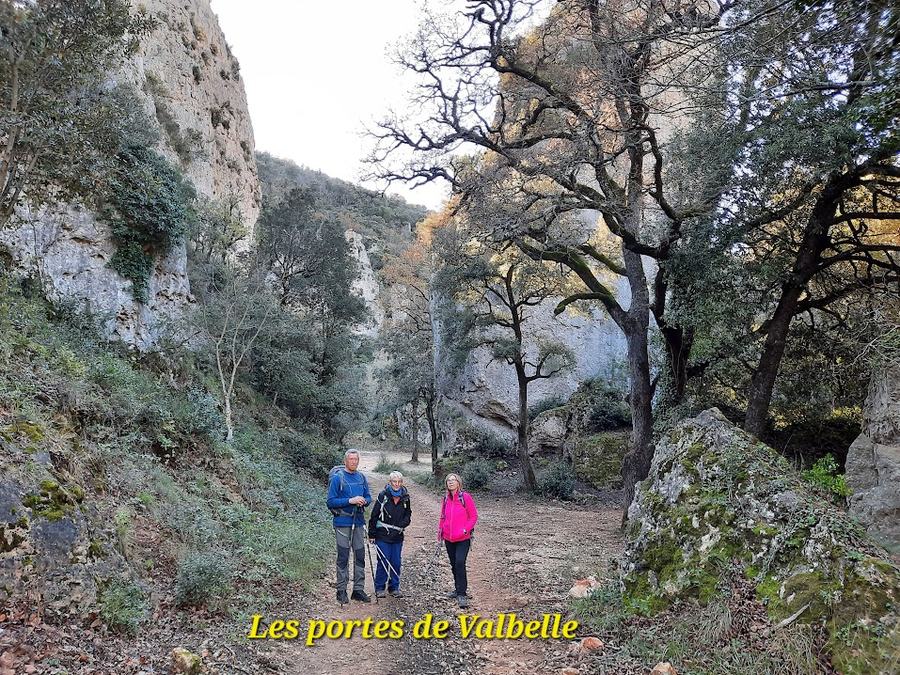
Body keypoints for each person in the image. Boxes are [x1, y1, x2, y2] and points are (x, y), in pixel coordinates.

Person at [326, 449, 372, 604]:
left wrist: (364, 501)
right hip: (342, 522)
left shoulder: (361, 478)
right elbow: (330, 502)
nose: (354, 462)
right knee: (343, 557)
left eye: (356, 459)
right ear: (345, 461)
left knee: (360, 556)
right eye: (351, 459)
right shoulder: (338, 478)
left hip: (358, 521)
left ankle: (358, 590)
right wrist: (350, 501)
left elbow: (368, 497)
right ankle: (341, 590)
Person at [368, 471, 412, 598]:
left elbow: (408, 513)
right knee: (383, 561)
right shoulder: (383, 496)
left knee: (396, 562)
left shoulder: (405, 497)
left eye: (399, 482)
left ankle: (394, 587)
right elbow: (374, 515)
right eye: (394, 481)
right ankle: (379, 587)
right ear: (389, 482)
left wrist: (404, 523)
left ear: (402, 483)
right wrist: (372, 534)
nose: (396, 484)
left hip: (398, 535)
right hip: (383, 534)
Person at [438, 472, 478, 608]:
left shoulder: (465, 497)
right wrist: (440, 532)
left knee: (460, 562)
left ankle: (462, 593)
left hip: (463, 538)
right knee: (454, 564)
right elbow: (442, 517)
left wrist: (465, 529)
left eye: (453, 480)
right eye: (448, 480)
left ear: (458, 483)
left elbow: (473, 517)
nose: (450, 482)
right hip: (448, 538)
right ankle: (457, 588)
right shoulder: (445, 499)